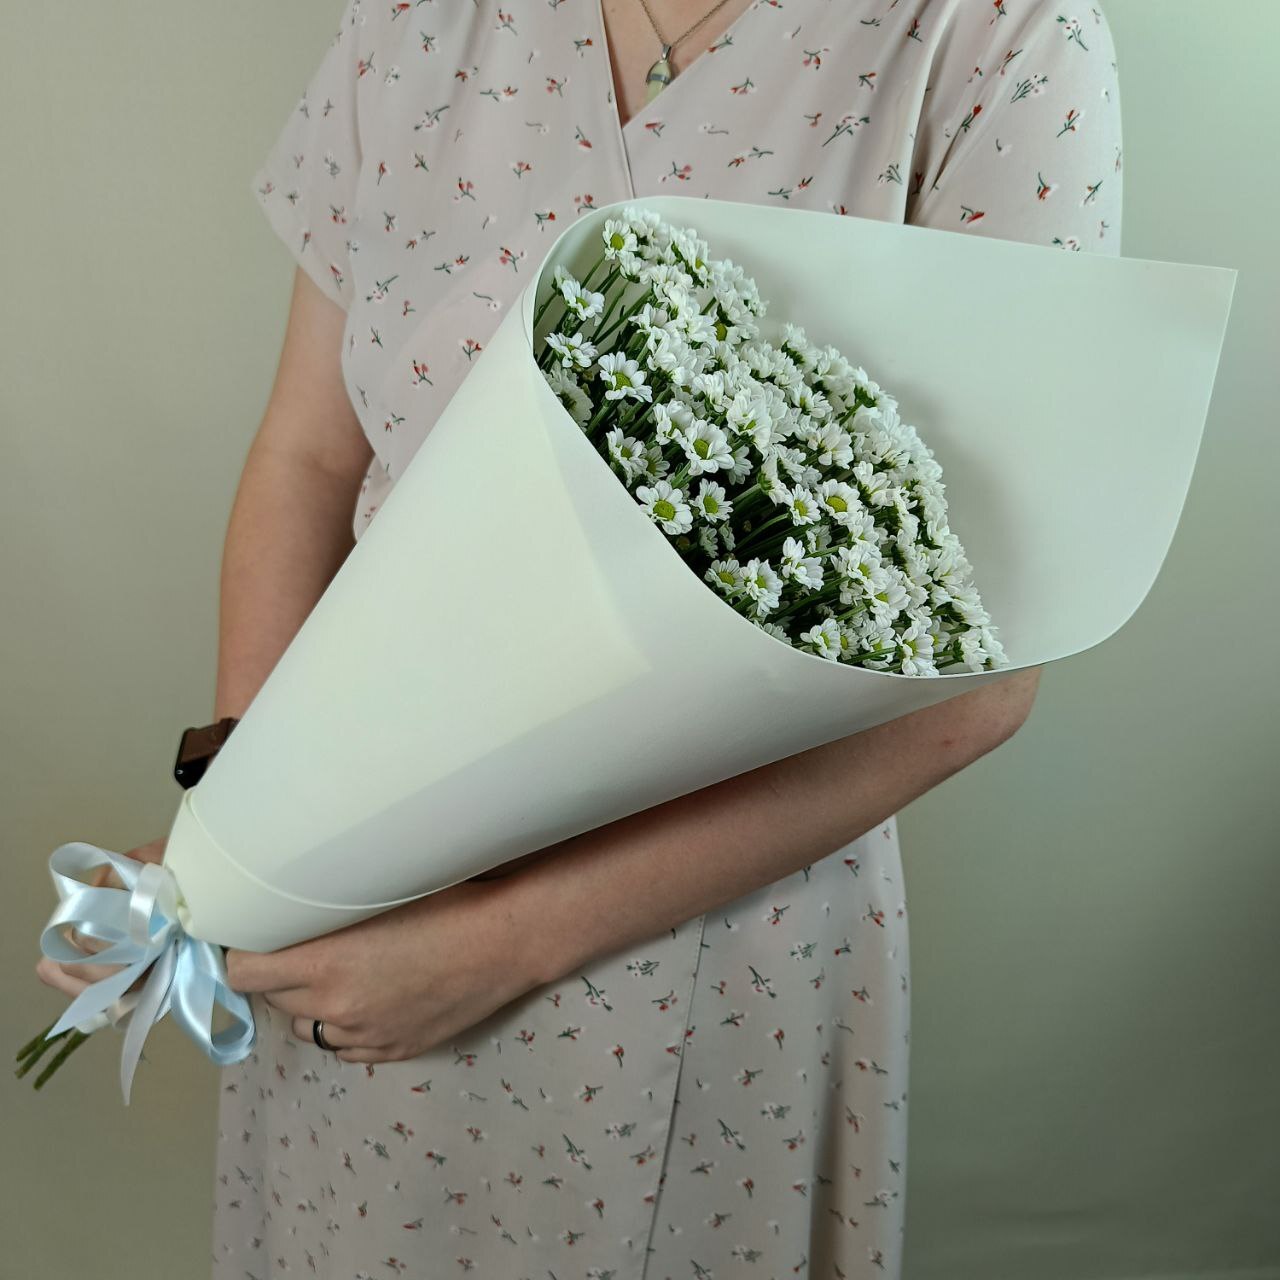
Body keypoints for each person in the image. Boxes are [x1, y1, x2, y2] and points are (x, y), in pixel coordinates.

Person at [38, 0, 1122, 1275]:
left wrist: (503, 941)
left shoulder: (996, 39)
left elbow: (982, 677)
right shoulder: (417, 22)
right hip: (348, 893)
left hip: (704, 927)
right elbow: (308, 456)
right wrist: (245, 837)